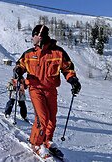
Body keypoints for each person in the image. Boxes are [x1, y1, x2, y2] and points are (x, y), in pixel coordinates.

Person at [14, 25, 81, 159]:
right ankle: (36, 143)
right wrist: (18, 72)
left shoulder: (58, 52)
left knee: (52, 118)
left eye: (34, 35)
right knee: (42, 118)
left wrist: (73, 80)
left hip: (50, 89)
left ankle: (47, 140)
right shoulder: (29, 53)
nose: (32, 38)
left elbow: (67, 68)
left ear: (39, 37)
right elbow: (19, 65)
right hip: (35, 89)